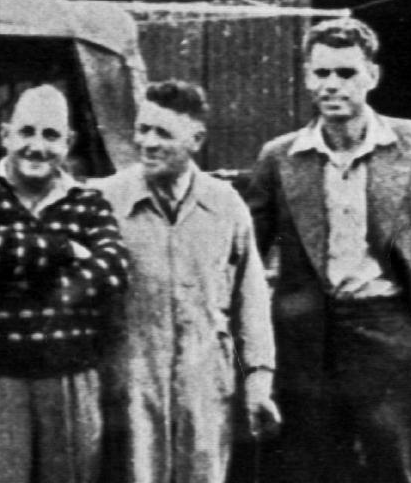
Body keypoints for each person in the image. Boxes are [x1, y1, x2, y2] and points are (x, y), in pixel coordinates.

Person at [245, 17, 411, 483]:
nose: (332, 86)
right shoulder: (279, 157)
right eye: (321, 73)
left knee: (396, 468)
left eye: (346, 73)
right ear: (306, 77)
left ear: (372, 76)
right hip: (304, 341)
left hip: (389, 332)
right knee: (309, 469)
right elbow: (246, 255)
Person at [0, 84, 131, 483]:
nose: (37, 147)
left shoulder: (89, 203)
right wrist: (66, 250)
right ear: (6, 134)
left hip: (66, 384)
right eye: (26, 132)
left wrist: (24, 278)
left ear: (69, 142)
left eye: (50, 135)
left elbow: (114, 269)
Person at [98, 80, 278, 483]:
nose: (147, 142)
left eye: (162, 132)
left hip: (205, 386)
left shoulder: (226, 205)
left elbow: (252, 300)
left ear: (195, 139)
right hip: (131, 383)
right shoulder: (106, 200)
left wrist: (259, 380)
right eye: (143, 129)